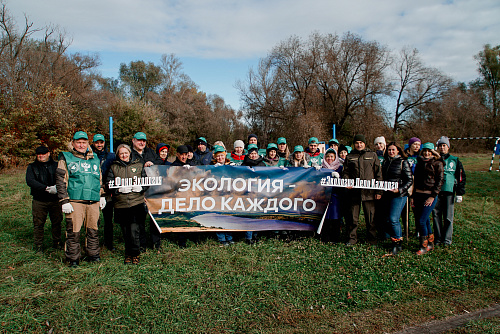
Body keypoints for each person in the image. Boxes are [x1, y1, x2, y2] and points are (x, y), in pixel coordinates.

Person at [56, 131, 106, 267]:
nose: (81, 145)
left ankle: (93, 254)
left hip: (93, 201)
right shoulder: (65, 157)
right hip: (75, 201)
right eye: (78, 142)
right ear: (73, 143)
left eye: (84, 142)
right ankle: (73, 258)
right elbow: (61, 180)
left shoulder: (94, 158)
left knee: (93, 230)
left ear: (88, 144)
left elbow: (99, 178)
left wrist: (101, 195)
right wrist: (64, 200)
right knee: (73, 231)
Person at [106, 144, 147, 265]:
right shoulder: (114, 167)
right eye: (121, 153)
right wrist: (117, 190)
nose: (124, 155)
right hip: (121, 204)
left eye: (126, 153)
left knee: (134, 230)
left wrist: (141, 188)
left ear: (130, 153)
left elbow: (146, 182)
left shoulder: (138, 165)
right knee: (125, 231)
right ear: (118, 155)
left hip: (136, 203)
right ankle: (128, 253)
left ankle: (135, 254)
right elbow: (108, 184)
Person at [342, 134, 383, 245]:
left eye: (361, 142)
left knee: (370, 217)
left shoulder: (372, 155)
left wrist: (379, 191)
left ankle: (372, 238)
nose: (359, 145)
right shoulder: (350, 156)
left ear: (365, 143)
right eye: (356, 143)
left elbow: (378, 173)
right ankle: (352, 238)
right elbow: (345, 172)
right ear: (354, 144)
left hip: (369, 192)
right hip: (354, 192)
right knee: (353, 217)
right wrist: (347, 182)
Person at [26, 145, 63, 252]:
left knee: (57, 222)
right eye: (39, 154)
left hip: (55, 200)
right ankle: (38, 245)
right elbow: (30, 181)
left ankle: (57, 243)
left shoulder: (56, 165)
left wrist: (57, 187)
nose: (41, 156)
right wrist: (46, 188)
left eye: (43, 154)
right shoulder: (32, 167)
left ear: (48, 154)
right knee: (38, 223)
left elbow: (62, 177)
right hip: (39, 200)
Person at [432, 136, 466, 247]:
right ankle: (438, 238)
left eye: (444, 146)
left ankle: (447, 239)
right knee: (436, 215)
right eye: (440, 146)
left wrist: (460, 192)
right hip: (436, 192)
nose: (442, 148)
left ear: (448, 147)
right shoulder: (435, 160)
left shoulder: (455, 160)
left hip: (449, 192)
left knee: (448, 217)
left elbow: (461, 177)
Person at [412, 142, 444, 255]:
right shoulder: (419, 162)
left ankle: (423, 245)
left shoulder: (437, 164)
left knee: (421, 221)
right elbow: (415, 180)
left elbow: (439, 181)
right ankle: (431, 243)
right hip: (418, 195)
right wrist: (413, 196)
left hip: (429, 195)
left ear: (432, 152)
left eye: (429, 151)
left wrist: (433, 196)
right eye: (424, 151)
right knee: (424, 220)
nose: (426, 153)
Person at [381, 142, 413, 255]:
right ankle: (391, 238)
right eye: (389, 150)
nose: (391, 152)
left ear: (398, 151)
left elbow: (409, 180)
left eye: (393, 150)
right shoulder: (385, 162)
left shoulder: (403, 162)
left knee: (394, 219)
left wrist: (399, 190)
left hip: (399, 195)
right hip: (387, 194)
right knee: (387, 219)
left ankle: (398, 243)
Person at [91, 134, 116, 251]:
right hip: (92, 190)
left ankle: (109, 243)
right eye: (97, 143)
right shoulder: (89, 155)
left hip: (107, 191)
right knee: (93, 219)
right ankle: (93, 242)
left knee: (108, 219)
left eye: (101, 143)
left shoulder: (110, 156)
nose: (99, 145)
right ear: (93, 143)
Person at [210, 146, 235, 245]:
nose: (220, 158)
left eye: (222, 155)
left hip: (229, 195)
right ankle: (222, 238)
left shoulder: (232, 165)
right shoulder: (211, 167)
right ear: (215, 157)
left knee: (228, 216)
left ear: (225, 155)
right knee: (218, 216)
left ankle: (229, 236)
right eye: (218, 156)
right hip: (217, 195)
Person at [320, 148, 343, 243]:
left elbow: (344, 181)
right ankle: (325, 236)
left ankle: (335, 237)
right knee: (325, 216)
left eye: (331, 157)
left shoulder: (340, 168)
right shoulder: (321, 168)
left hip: (335, 195)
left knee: (335, 216)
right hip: (324, 195)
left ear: (335, 157)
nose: (329, 158)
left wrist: (339, 177)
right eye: (327, 156)